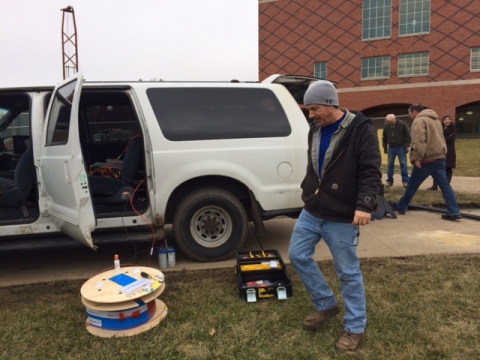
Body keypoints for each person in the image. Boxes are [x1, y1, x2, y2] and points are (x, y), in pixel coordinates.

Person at [288, 80, 382, 352]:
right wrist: (308, 191)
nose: (311, 114)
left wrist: (364, 204)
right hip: (313, 209)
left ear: (331, 104)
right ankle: (326, 304)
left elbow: (370, 170)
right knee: (297, 255)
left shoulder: (360, 130)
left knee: (348, 273)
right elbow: (315, 164)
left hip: (341, 216)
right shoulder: (314, 129)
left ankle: (355, 327)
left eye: (314, 108)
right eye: (308, 109)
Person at [389, 104, 462, 221]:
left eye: (410, 114)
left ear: (414, 112)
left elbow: (419, 141)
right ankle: (454, 211)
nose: (411, 117)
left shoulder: (419, 121)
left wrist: (417, 158)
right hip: (439, 157)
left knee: (412, 183)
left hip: (427, 159)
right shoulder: (436, 120)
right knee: (445, 186)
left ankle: (402, 206)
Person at [427, 115, 456, 190]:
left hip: (450, 151)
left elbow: (451, 138)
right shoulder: (439, 127)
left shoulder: (453, 128)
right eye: (445, 119)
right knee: (437, 167)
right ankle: (435, 185)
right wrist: (444, 137)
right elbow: (436, 137)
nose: (447, 121)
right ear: (443, 121)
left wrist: (442, 138)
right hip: (440, 150)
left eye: (448, 119)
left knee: (448, 168)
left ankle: (446, 186)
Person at [382, 114, 411, 188]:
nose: (390, 124)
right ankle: (389, 181)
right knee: (390, 164)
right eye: (389, 122)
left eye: (391, 122)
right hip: (391, 147)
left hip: (401, 146)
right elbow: (384, 138)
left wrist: (407, 146)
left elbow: (408, 136)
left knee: (403, 163)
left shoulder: (402, 124)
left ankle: (405, 181)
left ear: (395, 119)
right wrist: (385, 147)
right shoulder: (386, 126)